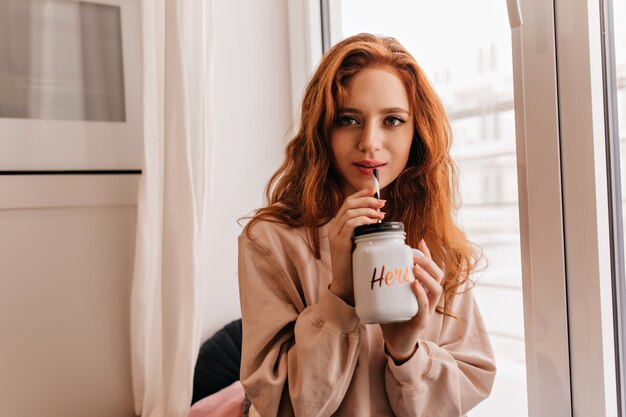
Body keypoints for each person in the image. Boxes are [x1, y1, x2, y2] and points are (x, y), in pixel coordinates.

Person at [237, 33, 496, 417]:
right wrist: (340, 294)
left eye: (393, 120)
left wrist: (406, 351)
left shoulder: (433, 241)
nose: (370, 142)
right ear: (322, 130)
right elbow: (287, 407)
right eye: (348, 120)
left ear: (416, 132)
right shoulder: (270, 242)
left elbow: (466, 387)